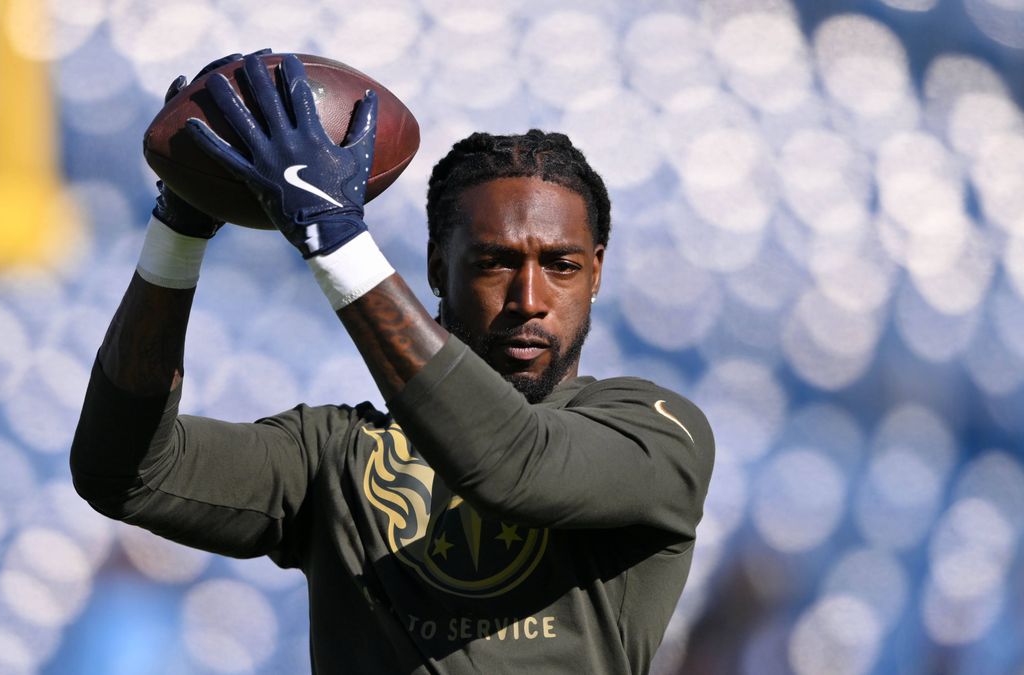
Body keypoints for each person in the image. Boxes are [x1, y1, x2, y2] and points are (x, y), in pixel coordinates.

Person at [71, 51, 714, 674]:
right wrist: (179, 227)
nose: (529, 299)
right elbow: (124, 473)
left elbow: (513, 466)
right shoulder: (334, 454)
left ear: (596, 273)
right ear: (436, 267)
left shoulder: (656, 433)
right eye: (493, 263)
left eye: (561, 266)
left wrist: (335, 238)